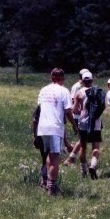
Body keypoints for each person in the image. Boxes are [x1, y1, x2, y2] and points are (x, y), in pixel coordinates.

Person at [37, 68, 78, 196]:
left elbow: (39, 109)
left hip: (42, 127)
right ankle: (52, 188)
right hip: (55, 127)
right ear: (62, 78)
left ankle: (46, 181)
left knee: (49, 155)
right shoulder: (64, 91)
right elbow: (68, 111)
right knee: (55, 158)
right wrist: (74, 125)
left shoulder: (43, 90)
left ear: (51, 77)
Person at [72, 71, 105, 179]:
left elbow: (75, 110)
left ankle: (83, 171)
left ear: (82, 81)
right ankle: (93, 165)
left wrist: (82, 110)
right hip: (95, 122)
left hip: (83, 122)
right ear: (92, 80)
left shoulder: (79, 93)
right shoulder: (97, 91)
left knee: (83, 147)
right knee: (95, 147)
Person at [63, 68, 90, 166]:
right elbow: (72, 100)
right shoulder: (78, 87)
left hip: (81, 114)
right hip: (79, 115)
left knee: (83, 139)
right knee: (83, 139)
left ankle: (74, 157)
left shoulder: (81, 86)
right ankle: (72, 158)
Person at [31, 105, 48, 190]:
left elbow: (35, 121)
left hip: (42, 134)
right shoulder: (58, 104)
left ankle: (44, 181)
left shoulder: (41, 104)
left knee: (45, 159)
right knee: (52, 158)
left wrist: (35, 136)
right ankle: (50, 183)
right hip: (54, 134)